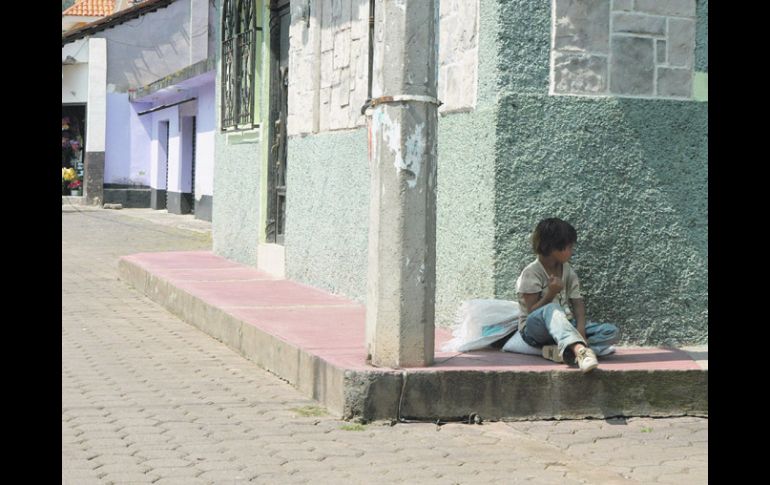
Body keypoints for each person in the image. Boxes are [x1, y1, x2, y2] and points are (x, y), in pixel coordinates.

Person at [516, 217, 619, 373]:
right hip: (534, 331)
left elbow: (577, 302)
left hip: (566, 325)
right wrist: (551, 293)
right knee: (552, 308)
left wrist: (581, 330)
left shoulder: (567, 270)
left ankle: (564, 350)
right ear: (552, 248)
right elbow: (532, 312)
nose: (572, 251)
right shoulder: (531, 273)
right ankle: (579, 351)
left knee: (611, 332)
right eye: (569, 247)